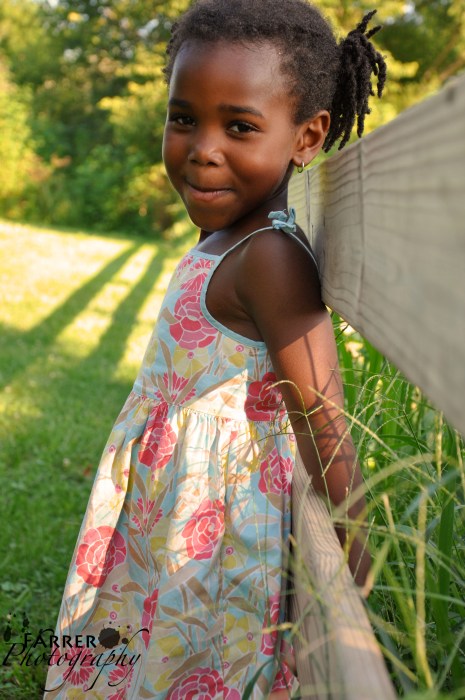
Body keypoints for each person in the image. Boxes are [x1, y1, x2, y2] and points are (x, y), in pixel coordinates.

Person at [44, 1, 386, 698]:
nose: (202, 148)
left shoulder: (270, 258)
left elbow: (321, 417)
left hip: (210, 531)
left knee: (192, 663)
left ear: (306, 136)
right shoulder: (228, 236)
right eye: (182, 119)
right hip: (170, 502)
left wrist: (358, 559)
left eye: (239, 127)